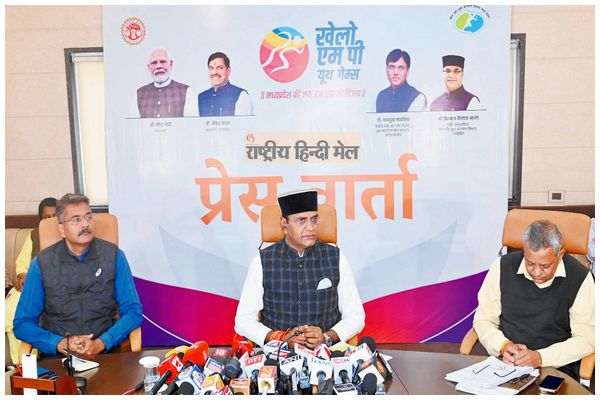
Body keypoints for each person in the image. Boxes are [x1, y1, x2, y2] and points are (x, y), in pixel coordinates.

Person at [14, 193, 143, 357]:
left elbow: (133, 311)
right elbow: (22, 323)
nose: (85, 224)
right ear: (62, 229)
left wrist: (102, 343)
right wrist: (58, 343)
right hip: (59, 357)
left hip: (105, 353)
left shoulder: (114, 256)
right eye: (76, 220)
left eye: (88, 217)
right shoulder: (41, 264)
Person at [235, 189, 364, 349]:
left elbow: (355, 316)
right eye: (301, 220)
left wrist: (326, 337)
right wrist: (280, 338)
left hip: (326, 354)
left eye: (314, 219)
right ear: (284, 224)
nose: (311, 227)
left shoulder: (336, 257)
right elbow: (243, 320)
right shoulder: (263, 260)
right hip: (278, 355)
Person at [473, 220, 594, 380]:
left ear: (560, 255)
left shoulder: (580, 278)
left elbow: (587, 339)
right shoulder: (502, 267)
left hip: (555, 368)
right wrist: (503, 346)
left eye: (545, 266)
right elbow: (483, 320)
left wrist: (541, 357)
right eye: (530, 263)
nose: (536, 272)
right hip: (506, 364)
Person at [5, 197, 57, 364]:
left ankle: (37, 357)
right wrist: (22, 276)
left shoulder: (67, 234)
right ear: (40, 220)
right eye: (46, 217)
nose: (50, 221)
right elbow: (22, 262)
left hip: (54, 287)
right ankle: (19, 363)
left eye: (54, 216)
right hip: (32, 285)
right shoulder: (34, 235)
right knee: (13, 307)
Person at [136, 47, 196, 118]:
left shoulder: (186, 91)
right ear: (148, 67)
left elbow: (192, 123)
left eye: (162, 61)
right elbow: (133, 124)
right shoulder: (139, 93)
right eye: (154, 63)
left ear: (171, 64)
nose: (158, 66)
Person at [197, 52, 253, 117]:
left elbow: (243, 123)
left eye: (220, 68)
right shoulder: (201, 97)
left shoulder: (240, 95)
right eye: (211, 68)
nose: (215, 72)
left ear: (228, 71)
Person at [375, 49, 426, 113]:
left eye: (400, 68)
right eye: (392, 67)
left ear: (407, 71)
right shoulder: (381, 96)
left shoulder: (418, 98)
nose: (395, 72)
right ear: (386, 70)